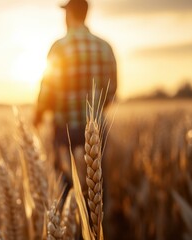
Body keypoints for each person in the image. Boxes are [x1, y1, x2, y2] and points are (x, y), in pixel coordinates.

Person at [33, 0, 117, 187]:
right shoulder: (105, 47)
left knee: (66, 186)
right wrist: (94, 111)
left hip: (65, 129)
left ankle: (69, 213)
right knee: (97, 186)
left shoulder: (59, 47)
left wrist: (38, 115)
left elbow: (47, 88)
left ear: (69, 14)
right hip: (96, 129)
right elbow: (112, 91)